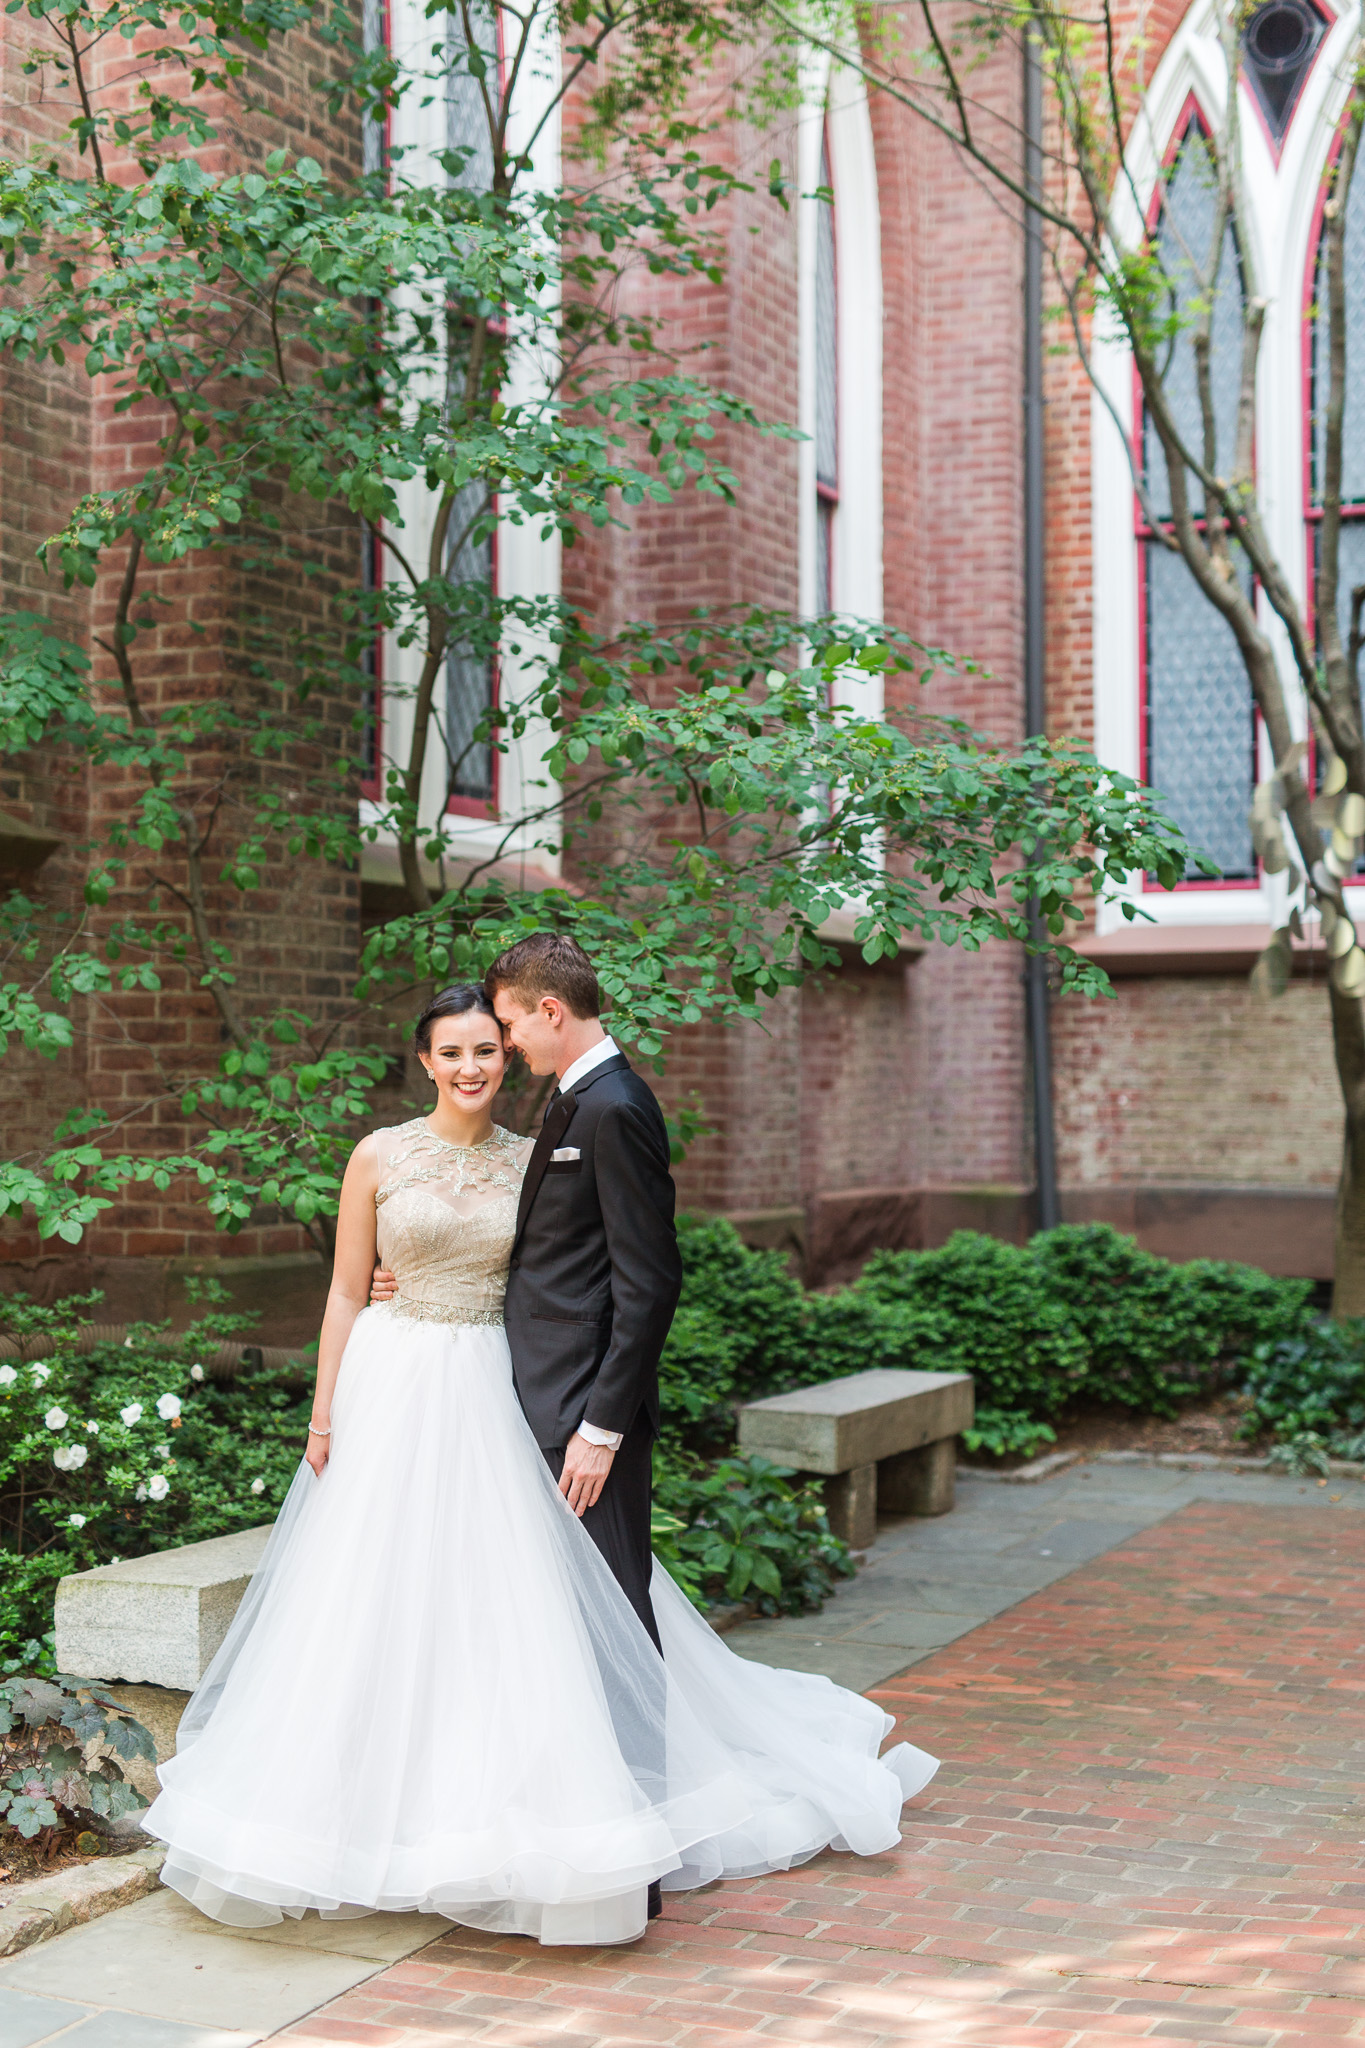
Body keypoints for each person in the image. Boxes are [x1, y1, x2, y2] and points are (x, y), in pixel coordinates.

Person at [144, 965, 937, 1947]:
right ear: (424, 1061)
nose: (476, 1063)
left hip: (496, 1386)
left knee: (500, 1597)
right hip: (392, 1387)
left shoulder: (541, 1148)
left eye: (489, 1044)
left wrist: (599, 1412)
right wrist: (323, 1415)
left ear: (511, 1042)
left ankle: (513, 1808)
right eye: (454, 1051)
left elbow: (588, 1264)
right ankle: (365, 1808)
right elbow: (348, 1292)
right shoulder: (378, 1155)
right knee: (375, 1594)